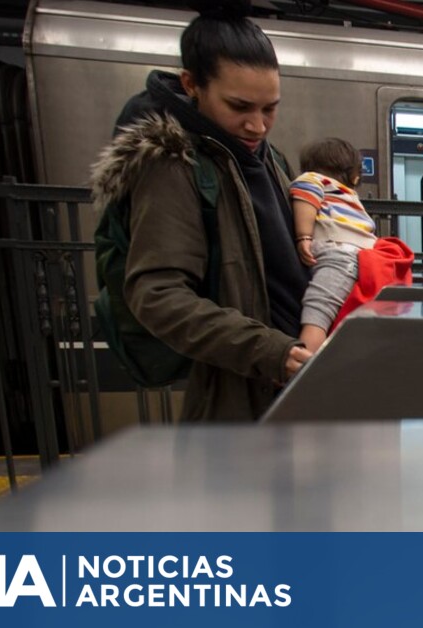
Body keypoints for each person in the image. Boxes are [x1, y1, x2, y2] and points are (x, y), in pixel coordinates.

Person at [90, 0, 310, 421]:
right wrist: (271, 351)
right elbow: (156, 295)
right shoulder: (173, 166)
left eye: (270, 108)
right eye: (239, 107)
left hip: (292, 379)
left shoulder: (268, 159)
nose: (258, 126)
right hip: (242, 396)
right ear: (192, 84)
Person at [290, 138, 377, 354]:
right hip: (356, 257)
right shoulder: (346, 193)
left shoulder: (312, 179)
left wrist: (303, 237)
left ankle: (303, 362)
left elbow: (305, 199)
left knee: (319, 309)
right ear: (354, 175)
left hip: (338, 253)